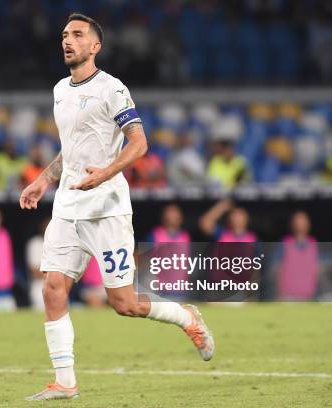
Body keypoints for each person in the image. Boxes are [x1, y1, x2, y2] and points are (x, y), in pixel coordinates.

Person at [19, 13, 214, 401]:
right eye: (64, 35)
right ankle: (65, 382)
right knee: (53, 288)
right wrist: (44, 179)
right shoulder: (60, 90)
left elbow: (139, 143)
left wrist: (105, 173)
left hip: (106, 207)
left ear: (95, 46)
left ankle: (187, 317)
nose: (67, 40)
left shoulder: (113, 89)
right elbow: (70, 149)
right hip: (67, 206)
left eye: (77, 35)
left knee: (124, 303)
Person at [274, 211, 320, 300]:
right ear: (292, 225)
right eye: (298, 222)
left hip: (308, 296)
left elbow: (317, 269)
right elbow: (277, 269)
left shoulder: (314, 244)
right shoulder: (284, 243)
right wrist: (279, 293)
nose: (300, 225)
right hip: (287, 296)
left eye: (303, 222)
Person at [26, 217, 50, 311]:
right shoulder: (34, 243)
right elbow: (35, 272)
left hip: (60, 290)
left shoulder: (61, 243)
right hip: (39, 290)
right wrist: (58, 273)